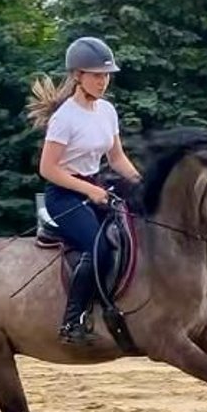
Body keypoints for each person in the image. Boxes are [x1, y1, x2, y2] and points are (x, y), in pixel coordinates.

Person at [27, 36, 143, 346]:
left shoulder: (106, 111)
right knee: (98, 248)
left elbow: (116, 158)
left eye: (106, 75)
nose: (103, 81)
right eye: (96, 75)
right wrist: (88, 191)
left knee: (134, 231)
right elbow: (48, 169)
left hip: (95, 186)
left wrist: (140, 183)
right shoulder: (65, 118)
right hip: (64, 195)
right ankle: (73, 319)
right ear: (78, 75)